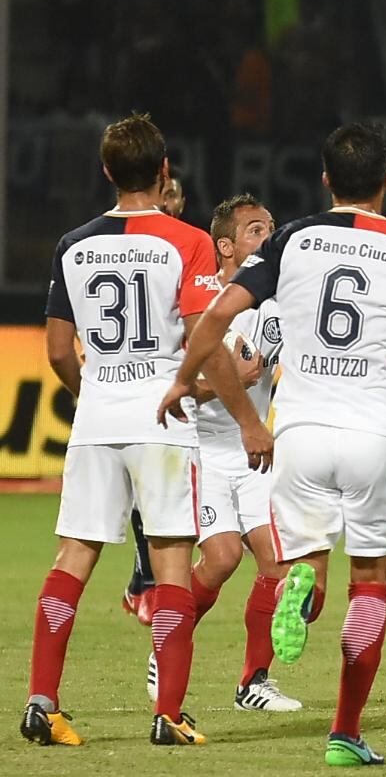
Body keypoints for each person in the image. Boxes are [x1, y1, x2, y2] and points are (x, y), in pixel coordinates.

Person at [156, 123, 386, 766]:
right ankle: (346, 732)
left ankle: (300, 585)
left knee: (305, 566)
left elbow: (216, 315)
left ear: (325, 179)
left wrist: (185, 379)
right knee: (371, 583)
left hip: (298, 433)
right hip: (375, 433)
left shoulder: (289, 239)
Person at [24, 113, 263, 748]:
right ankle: (170, 714)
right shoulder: (185, 241)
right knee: (172, 567)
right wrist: (247, 421)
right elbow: (208, 344)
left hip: (97, 418)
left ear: (106, 171)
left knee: (72, 558)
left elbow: (55, 350)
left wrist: (95, 393)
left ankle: (42, 702)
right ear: (163, 171)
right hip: (163, 423)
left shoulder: (73, 244)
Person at [145, 193, 303, 712]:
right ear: (227, 246)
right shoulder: (201, 307)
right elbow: (174, 386)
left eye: (272, 227)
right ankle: (167, 641)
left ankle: (253, 682)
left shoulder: (279, 305)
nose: (270, 237)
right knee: (222, 556)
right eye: (258, 230)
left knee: (277, 564)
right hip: (204, 452)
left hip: (256, 452)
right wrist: (225, 385)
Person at [122, 167, 187, 623]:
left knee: (166, 498)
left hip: (176, 386)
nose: (167, 205)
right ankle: (148, 582)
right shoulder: (122, 244)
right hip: (137, 388)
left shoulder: (187, 245)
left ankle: (145, 580)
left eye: (173, 199)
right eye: (163, 196)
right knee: (146, 495)